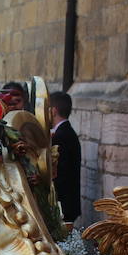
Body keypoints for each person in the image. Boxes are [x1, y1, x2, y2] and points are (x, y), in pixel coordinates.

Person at [49, 91, 81, 223]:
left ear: (53, 111)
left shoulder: (62, 135)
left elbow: (60, 172)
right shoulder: (66, 132)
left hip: (64, 202)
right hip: (68, 201)